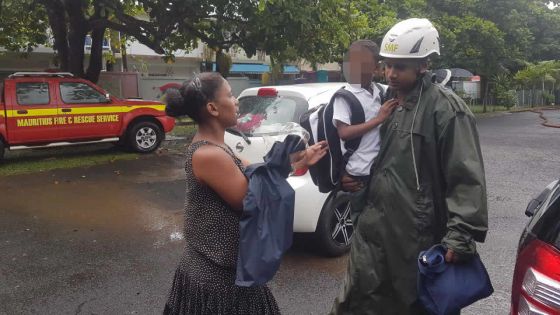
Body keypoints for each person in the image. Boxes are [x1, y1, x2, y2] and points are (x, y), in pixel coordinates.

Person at [331, 18, 488, 314]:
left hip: (417, 237)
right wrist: (349, 177)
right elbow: (367, 151)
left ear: (423, 65)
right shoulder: (384, 102)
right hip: (372, 229)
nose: (390, 73)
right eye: (387, 65)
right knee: (359, 298)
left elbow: (466, 178)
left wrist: (460, 235)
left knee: (412, 304)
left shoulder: (446, 110)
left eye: (399, 67)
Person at [163, 72, 328, 315]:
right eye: (229, 95)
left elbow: (255, 172)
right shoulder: (208, 155)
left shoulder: (219, 146)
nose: (236, 101)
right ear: (213, 108)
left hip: (227, 271)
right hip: (215, 279)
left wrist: (298, 159)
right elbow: (252, 199)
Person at [334, 40, 397, 221]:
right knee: (363, 226)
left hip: (379, 172)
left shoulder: (379, 92)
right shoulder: (345, 96)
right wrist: (378, 119)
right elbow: (343, 132)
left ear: (376, 68)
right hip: (359, 176)